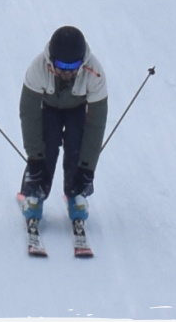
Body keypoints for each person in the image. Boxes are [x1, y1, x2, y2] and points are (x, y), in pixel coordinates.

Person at [16, 26, 108, 224]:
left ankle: (77, 194)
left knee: (77, 141)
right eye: (61, 66)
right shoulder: (38, 68)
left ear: (82, 62)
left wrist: (87, 167)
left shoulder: (95, 73)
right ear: (51, 60)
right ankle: (34, 193)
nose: (67, 72)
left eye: (73, 66)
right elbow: (29, 114)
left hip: (78, 108)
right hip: (49, 106)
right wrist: (35, 159)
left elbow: (96, 124)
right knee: (47, 142)